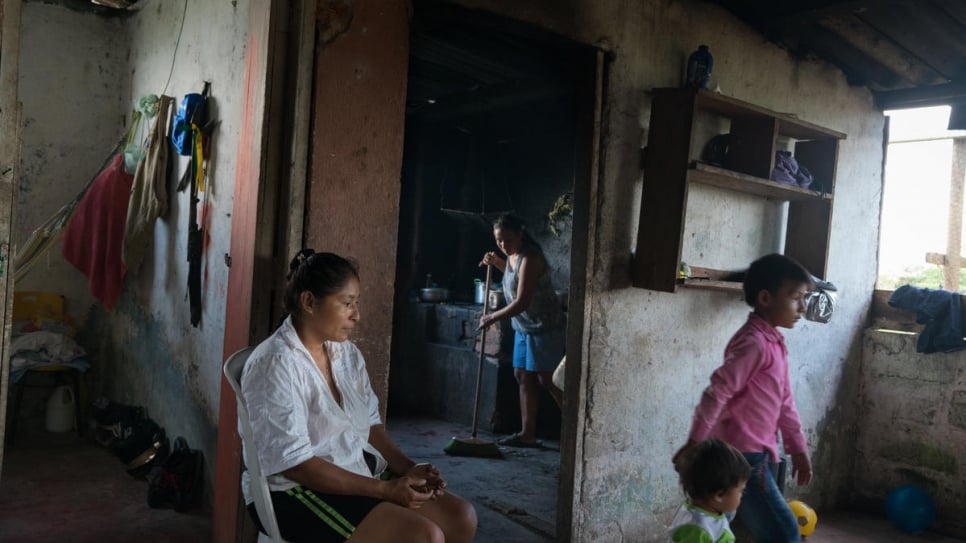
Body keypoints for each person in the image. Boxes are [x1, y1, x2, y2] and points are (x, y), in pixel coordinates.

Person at [240, 249, 477, 543]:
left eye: (357, 303)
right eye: (347, 303)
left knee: (460, 518)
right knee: (422, 536)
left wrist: (407, 468)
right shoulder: (276, 363)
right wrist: (385, 490)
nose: (357, 315)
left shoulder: (345, 353)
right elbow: (296, 464)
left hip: (352, 471)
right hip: (293, 490)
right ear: (309, 302)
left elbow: (370, 427)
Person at [672, 253, 814, 543]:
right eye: (795, 297)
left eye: (804, 297)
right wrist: (695, 442)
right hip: (744, 456)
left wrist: (797, 448)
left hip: (749, 453)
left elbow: (785, 402)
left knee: (716, 524)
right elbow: (718, 391)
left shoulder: (774, 343)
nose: (802, 306)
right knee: (785, 531)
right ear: (765, 298)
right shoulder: (755, 344)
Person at [479, 214, 565, 448]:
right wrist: (497, 261)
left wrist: (492, 317)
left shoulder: (531, 257)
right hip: (523, 327)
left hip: (544, 326)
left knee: (549, 380)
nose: (504, 245)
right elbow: (512, 274)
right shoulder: (512, 257)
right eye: (498, 241)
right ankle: (528, 433)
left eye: (508, 239)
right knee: (522, 376)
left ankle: (575, 431)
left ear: (520, 234)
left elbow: (523, 301)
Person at [669, 438, 751, 543]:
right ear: (719, 495)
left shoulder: (709, 515)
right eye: (741, 491)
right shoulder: (697, 529)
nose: (741, 495)